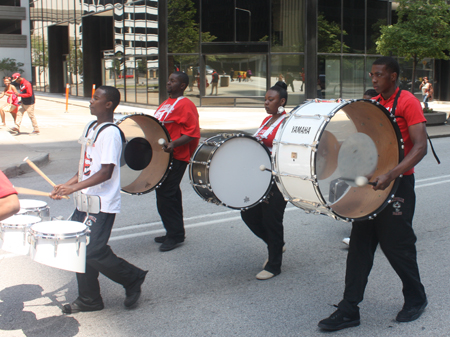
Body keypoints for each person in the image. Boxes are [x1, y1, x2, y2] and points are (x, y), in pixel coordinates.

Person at [318, 56, 428, 331]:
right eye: (372, 75)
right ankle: (349, 309)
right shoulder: (376, 105)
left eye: (379, 75)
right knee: (359, 248)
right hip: (373, 186)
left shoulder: (408, 102)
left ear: (393, 76)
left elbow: (420, 147)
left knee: (397, 248)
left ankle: (416, 298)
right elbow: (367, 147)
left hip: (398, 185)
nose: (374, 79)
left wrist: (391, 174)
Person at [50, 86, 148, 314]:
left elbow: (105, 172)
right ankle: (89, 299)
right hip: (84, 200)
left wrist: (73, 187)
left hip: (101, 203)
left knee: (92, 249)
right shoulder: (91, 127)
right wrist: (67, 185)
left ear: (108, 104)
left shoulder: (111, 133)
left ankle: (132, 277)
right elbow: (85, 167)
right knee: (79, 248)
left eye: (96, 98)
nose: (90, 101)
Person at [240, 81, 288, 281]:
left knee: (272, 220)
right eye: (265, 99)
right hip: (260, 176)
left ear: (282, 101)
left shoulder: (288, 121)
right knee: (248, 213)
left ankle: (274, 265)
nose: (266, 103)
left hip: (278, 177)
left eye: (271, 99)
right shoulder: (266, 121)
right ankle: (275, 244)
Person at [153, 72, 200, 252]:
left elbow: (192, 132)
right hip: (162, 157)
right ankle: (173, 231)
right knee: (169, 194)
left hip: (177, 156)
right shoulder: (166, 104)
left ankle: (175, 236)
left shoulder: (185, 104)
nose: (168, 82)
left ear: (182, 85)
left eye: (173, 81)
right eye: (169, 79)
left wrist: (173, 144)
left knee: (166, 195)